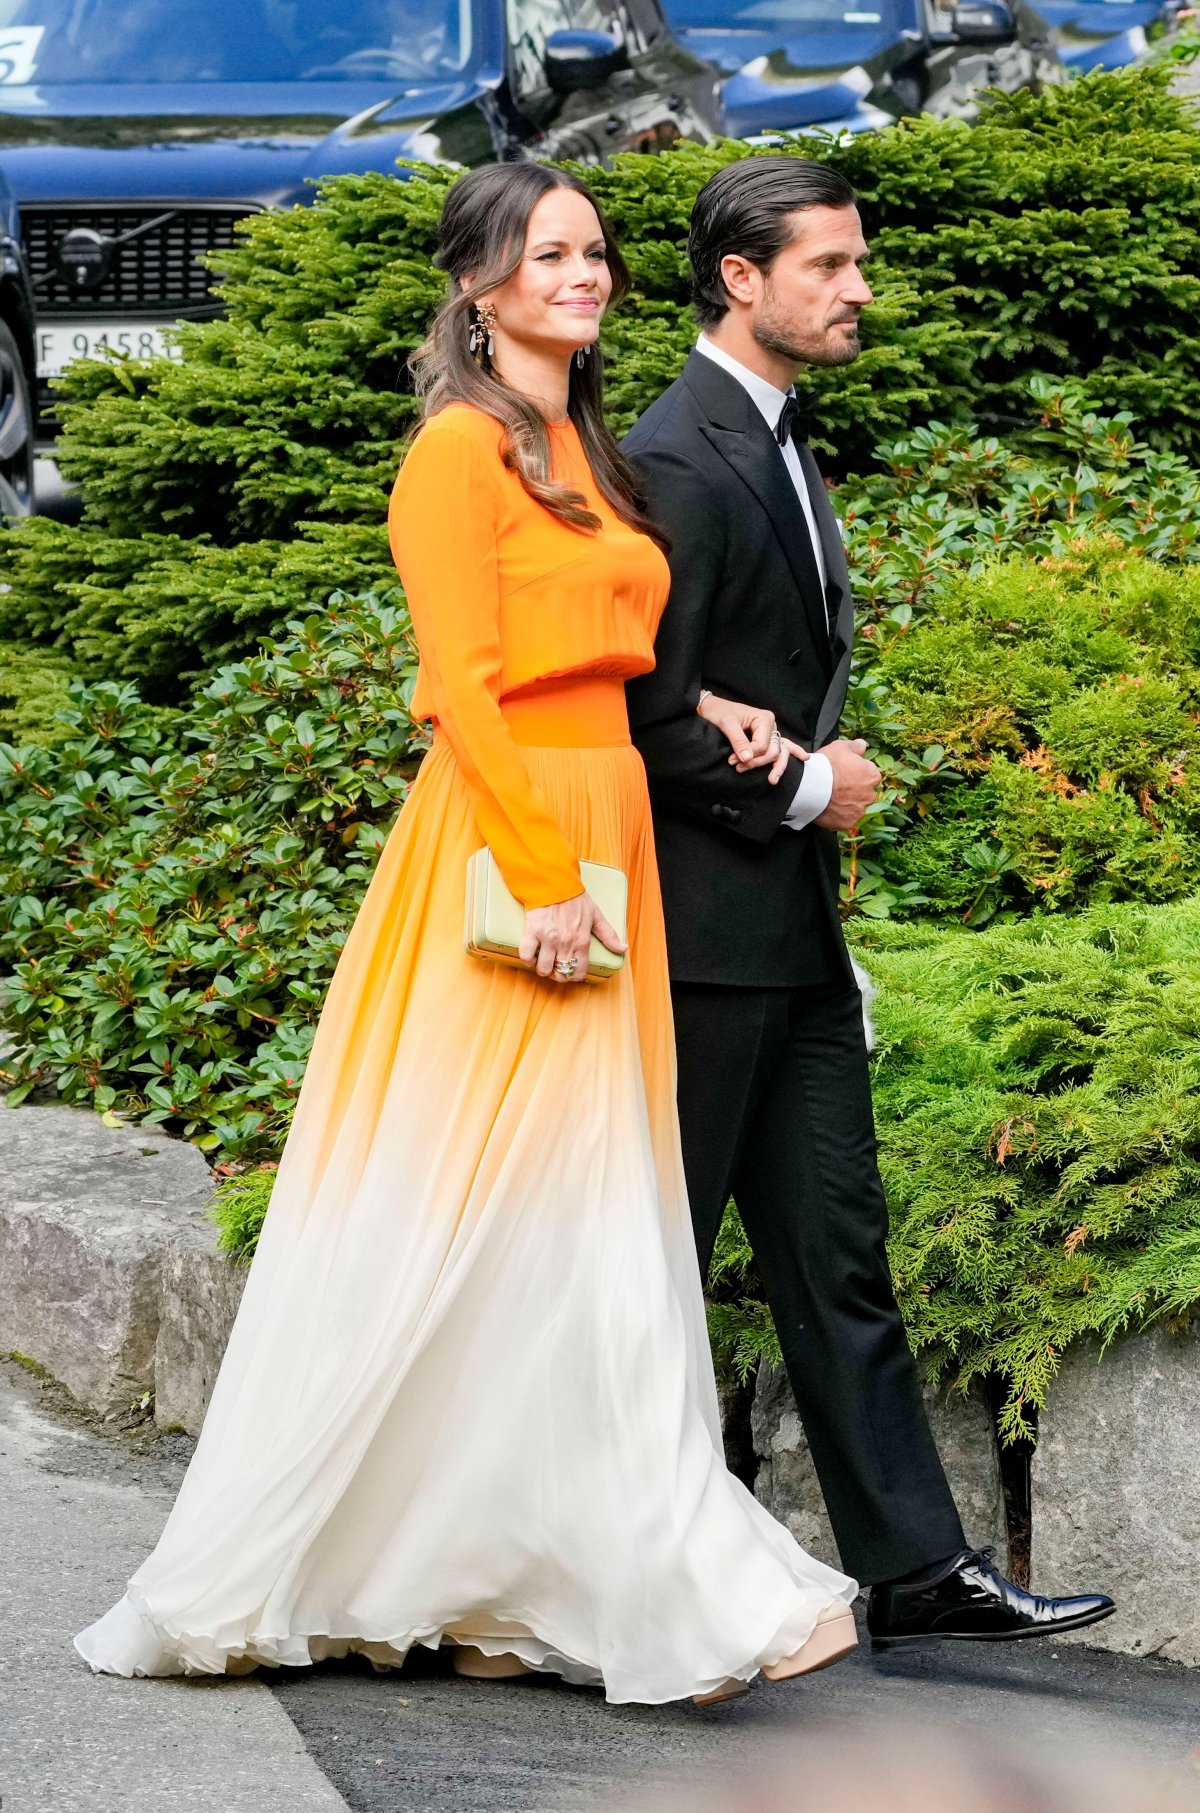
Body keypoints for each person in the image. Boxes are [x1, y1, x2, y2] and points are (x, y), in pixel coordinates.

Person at [73, 161, 860, 1706]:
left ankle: (501, 1588)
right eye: (550, 253)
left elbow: (606, 647)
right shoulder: (456, 448)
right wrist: (540, 866)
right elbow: (460, 686)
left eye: (595, 251)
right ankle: (650, 1585)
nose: (586, 273)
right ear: (483, 283)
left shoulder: (586, 443)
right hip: (514, 844)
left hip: (608, 822)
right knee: (481, 1213)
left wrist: (704, 708)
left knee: (557, 1230)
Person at [623, 156, 1116, 1646]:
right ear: (741, 279)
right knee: (652, 1272)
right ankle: (616, 1571)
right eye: (830, 266)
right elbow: (642, 719)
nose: (858, 290)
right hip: (699, 947)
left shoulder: (767, 434)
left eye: (858, 263)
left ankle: (914, 1566)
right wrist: (802, 790)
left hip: (788, 940)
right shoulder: (679, 456)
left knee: (840, 1251)